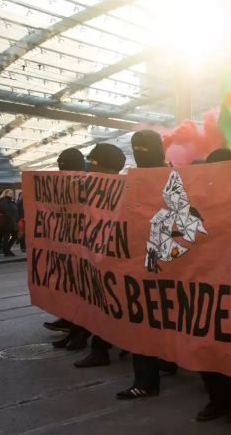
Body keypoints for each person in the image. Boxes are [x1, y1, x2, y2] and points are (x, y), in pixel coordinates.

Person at [187, 147, 231, 423]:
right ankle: (217, 398)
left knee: (228, 342)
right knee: (204, 341)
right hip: (203, 276)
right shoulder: (200, 196)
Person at [116, 131, 180, 397]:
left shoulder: (175, 177)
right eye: (135, 148)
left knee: (158, 318)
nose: (139, 152)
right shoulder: (133, 179)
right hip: (140, 260)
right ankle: (147, 378)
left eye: (144, 148)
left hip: (168, 258)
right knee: (145, 319)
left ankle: (152, 375)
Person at [73, 143, 127, 368]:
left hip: (116, 257)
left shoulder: (125, 188)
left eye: (94, 162)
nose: (90, 166)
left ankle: (102, 349)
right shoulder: (89, 186)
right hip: (99, 255)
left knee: (109, 304)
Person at [45, 148, 88, 338]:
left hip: (84, 247)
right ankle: (70, 322)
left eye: (64, 162)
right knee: (69, 287)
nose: (60, 166)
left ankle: (79, 329)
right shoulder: (62, 184)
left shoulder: (88, 183)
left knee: (82, 290)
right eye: (59, 162)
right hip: (67, 244)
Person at [0, 190, 19, 257]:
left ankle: (6, 249)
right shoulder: (3, 201)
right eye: (9, 193)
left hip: (13, 222)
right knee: (6, 237)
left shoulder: (12, 202)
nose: (11, 194)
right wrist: (11, 218)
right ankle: (6, 251)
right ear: (5, 194)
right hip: (7, 222)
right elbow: (5, 211)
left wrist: (16, 219)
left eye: (12, 193)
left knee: (15, 236)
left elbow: (16, 211)